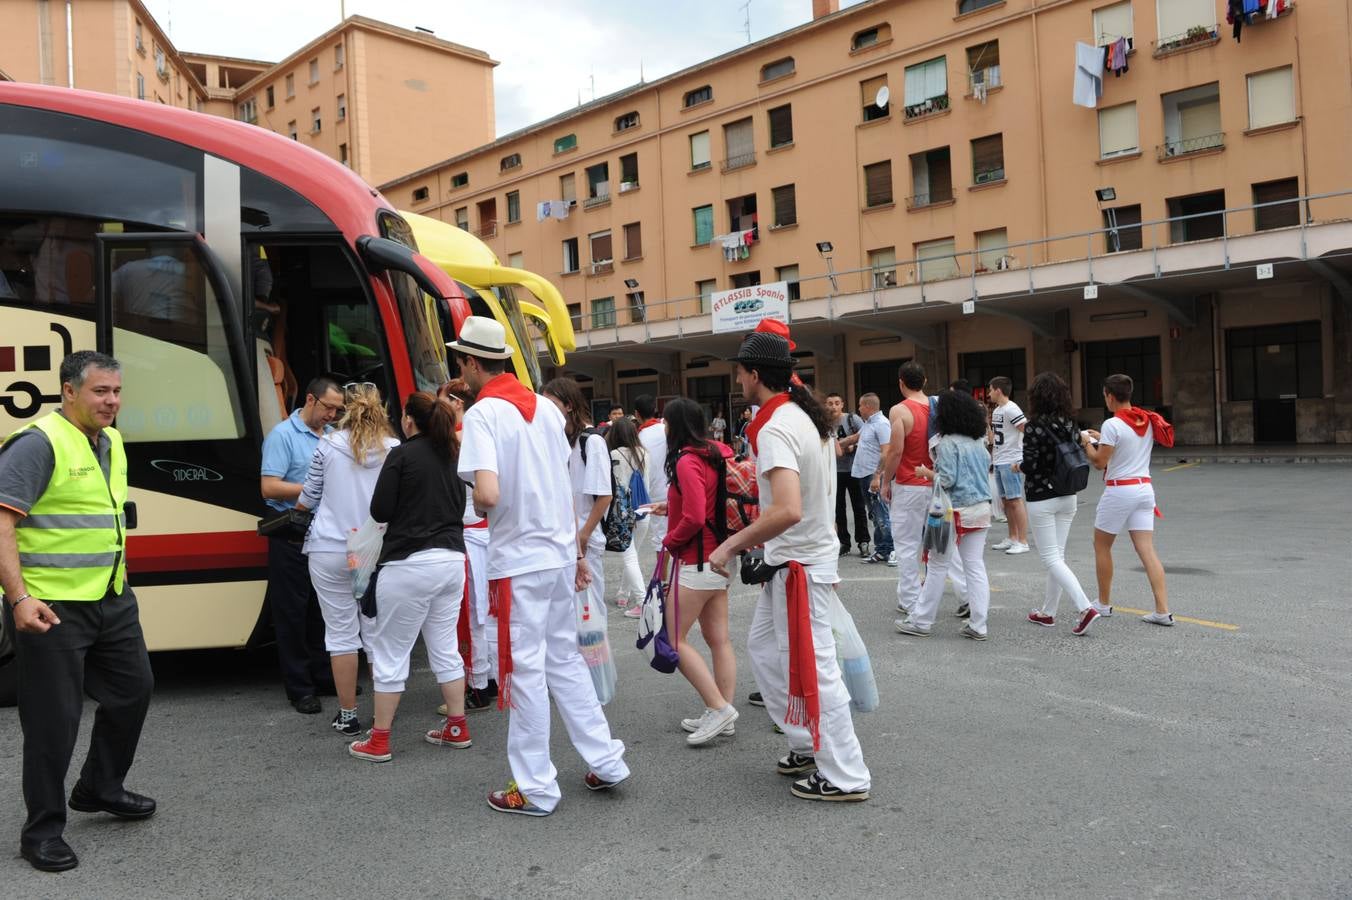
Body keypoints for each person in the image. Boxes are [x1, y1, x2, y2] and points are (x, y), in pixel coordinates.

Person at [453, 316, 628, 816]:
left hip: (520, 559)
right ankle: (606, 760)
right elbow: (558, 484)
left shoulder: (485, 415)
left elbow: (486, 493)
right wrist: (573, 551)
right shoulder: (548, 412)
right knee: (563, 660)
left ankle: (534, 786)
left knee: (526, 670)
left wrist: (484, 502)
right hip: (555, 552)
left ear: (470, 361)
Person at [0, 351, 156, 872]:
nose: (112, 401)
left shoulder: (109, 439)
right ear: (69, 391)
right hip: (51, 606)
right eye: (100, 392)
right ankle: (41, 832)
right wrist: (19, 597)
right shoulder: (38, 443)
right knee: (54, 723)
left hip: (111, 596)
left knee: (134, 691)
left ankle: (100, 786)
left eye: (116, 391)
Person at [708, 331, 871, 803]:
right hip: (798, 562)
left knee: (816, 669)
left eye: (740, 370)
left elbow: (787, 510)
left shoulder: (778, 426)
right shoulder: (800, 415)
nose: (737, 377)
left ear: (755, 375)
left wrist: (729, 546)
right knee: (764, 649)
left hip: (800, 565)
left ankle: (845, 773)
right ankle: (805, 742)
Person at [347, 392, 470, 762]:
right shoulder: (452, 455)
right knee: (445, 647)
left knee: (390, 654)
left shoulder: (401, 455)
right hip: (451, 562)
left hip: (408, 565)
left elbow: (380, 509)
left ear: (409, 420)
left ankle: (380, 739)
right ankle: (457, 726)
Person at [296, 382, 398, 736]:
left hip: (329, 548)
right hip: (373, 548)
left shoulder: (327, 445)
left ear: (345, 411)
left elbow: (307, 498)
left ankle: (348, 715)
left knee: (340, 634)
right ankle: (383, 713)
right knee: (376, 632)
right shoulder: (393, 449)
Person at [650, 397, 738, 746]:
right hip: (718, 556)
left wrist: (670, 540)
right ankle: (723, 709)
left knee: (673, 639)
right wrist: (669, 506)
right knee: (719, 640)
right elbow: (703, 504)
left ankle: (719, 709)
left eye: (666, 423)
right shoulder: (716, 453)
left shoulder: (687, 459)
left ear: (676, 425)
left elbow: (695, 515)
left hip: (695, 558)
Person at [260, 375, 344, 714]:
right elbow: (269, 488)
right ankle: (300, 688)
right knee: (292, 613)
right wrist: (313, 485)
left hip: (324, 533)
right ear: (310, 400)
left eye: (338, 411)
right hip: (292, 532)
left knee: (321, 609)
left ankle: (324, 676)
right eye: (328, 408)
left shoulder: (333, 436)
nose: (332, 416)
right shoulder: (282, 436)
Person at [896, 390, 993, 640]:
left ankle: (921, 621)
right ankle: (979, 624)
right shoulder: (978, 441)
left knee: (938, 565)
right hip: (980, 510)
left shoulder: (947, 443)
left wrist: (926, 473)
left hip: (953, 512)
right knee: (975, 566)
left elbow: (947, 480)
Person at [541, 377, 613, 704]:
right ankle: (579, 684)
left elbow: (603, 497)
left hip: (586, 542)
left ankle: (596, 685)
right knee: (570, 617)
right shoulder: (562, 440)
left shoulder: (590, 441)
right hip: (566, 542)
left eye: (553, 403)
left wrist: (582, 537)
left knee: (590, 615)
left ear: (568, 405)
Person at [1081, 374, 1173, 626]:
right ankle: (1162, 610)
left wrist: (1087, 443)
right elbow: (1127, 443)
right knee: (1147, 550)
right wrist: (1102, 437)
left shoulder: (1113, 424)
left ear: (1109, 396)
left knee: (1102, 546)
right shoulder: (1145, 418)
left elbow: (1100, 462)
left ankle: (1103, 603)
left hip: (1120, 491)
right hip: (1144, 490)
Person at [1019, 372, 1101, 635]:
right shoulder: (1069, 423)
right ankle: (1048, 612)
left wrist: (1017, 465)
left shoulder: (1033, 426)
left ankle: (1085, 607)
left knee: (1050, 557)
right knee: (1058, 556)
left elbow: (1031, 465)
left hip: (1042, 497)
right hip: (1068, 494)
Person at [443, 378, 497, 713]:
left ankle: (478, 683)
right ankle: (487, 677)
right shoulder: (482, 432)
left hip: (471, 532)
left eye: (442, 402)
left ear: (456, 403)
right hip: (486, 531)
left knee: (475, 613)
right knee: (486, 611)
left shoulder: (459, 437)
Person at [879, 362, 931, 617]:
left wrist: (885, 480)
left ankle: (911, 600)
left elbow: (896, 450)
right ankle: (965, 594)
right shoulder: (936, 407)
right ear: (925, 381)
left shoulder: (899, 410)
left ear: (901, 382)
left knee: (907, 546)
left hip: (909, 484)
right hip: (934, 483)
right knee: (942, 545)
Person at [606, 416, 647, 612]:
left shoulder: (614, 454)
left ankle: (643, 602)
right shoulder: (644, 453)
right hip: (643, 510)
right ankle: (623, 594)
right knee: (633, 555)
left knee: (629, 557)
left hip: (623, 512)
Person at [988, 377, 1030, 555]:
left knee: (1015, 500)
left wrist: (1022, 456)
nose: (989, 393)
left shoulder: (1012, 409)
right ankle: (1012, 537)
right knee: (1006, 501)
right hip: (999, 459)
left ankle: (1023, 540)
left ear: (998, 390)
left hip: (1011, 460)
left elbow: (1026, 430)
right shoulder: (999, 410)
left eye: (990, 390)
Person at [826, 392, 869, 559]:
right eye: (830, 403)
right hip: (834, 470)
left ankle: (863, 541)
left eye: (837, 403)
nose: (833, 406)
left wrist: (853, 447)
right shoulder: (824, 422)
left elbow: (867, 437)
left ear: (842, 404)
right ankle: (844, 542)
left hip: (854, 469)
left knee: (859, 507)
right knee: (838, 508)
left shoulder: (852, 419)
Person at [851, 393, 891, 561]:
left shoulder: (881, 424)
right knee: (874, 514)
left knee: (882, 513)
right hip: (863, 474)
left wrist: (877, 476)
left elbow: (886, 451)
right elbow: (855, 438)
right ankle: (881, 549)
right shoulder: (868, 424)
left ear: (867, 406)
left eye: (860, 405)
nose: (859, 409)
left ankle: (891, 549)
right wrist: (835, 444)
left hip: (872, 475)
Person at [635, 394, 668, 559]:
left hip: (654, 492)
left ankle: (663, 581)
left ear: (637, 414)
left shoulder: (638, 438)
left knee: (660, 539)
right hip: (672, 486)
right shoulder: (665, 429)